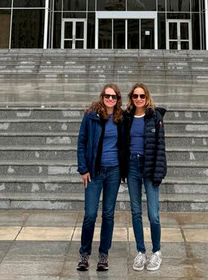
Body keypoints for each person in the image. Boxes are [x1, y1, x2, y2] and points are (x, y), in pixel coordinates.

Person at [76, 83, 126, 272]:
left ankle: (103, 255)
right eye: (107, 96)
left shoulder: (121, 118)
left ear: (118, 99)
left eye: (113, 97)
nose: (110, 99)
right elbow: (82, 142)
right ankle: (85, 254)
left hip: (113, 171)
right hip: (94, 172)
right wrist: (83, 169)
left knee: (108, 214)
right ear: (102, 96)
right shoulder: (91, 117)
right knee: (90, 215)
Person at [123, 82, 167, 272]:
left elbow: (160, 146)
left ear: (146, 97)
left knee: (153, 215)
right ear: (131, 98)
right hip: (133, 166)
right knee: (135, 212)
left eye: (142, 96)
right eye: (135, 96)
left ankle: (156, 252)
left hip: (149, 167)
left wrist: (159, 171)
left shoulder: (155, 116)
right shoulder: (127, 117)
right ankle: (141, 252)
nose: (138, 99)